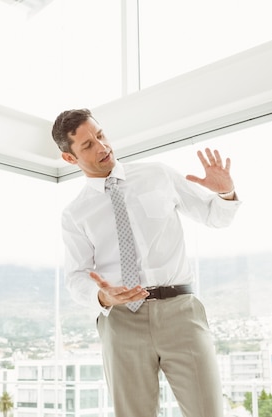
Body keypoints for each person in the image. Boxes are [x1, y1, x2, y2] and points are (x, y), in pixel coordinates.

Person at [52, 108, 240, 417]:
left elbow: (214, 217)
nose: (102, 147)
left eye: (101, 135)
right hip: (122, 321)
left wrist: (226, 193)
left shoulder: (158, 175)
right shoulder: (75, 213)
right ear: (70, 159)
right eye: (87, 145)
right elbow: (75, 277)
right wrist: (102, 296)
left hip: (181, 312)